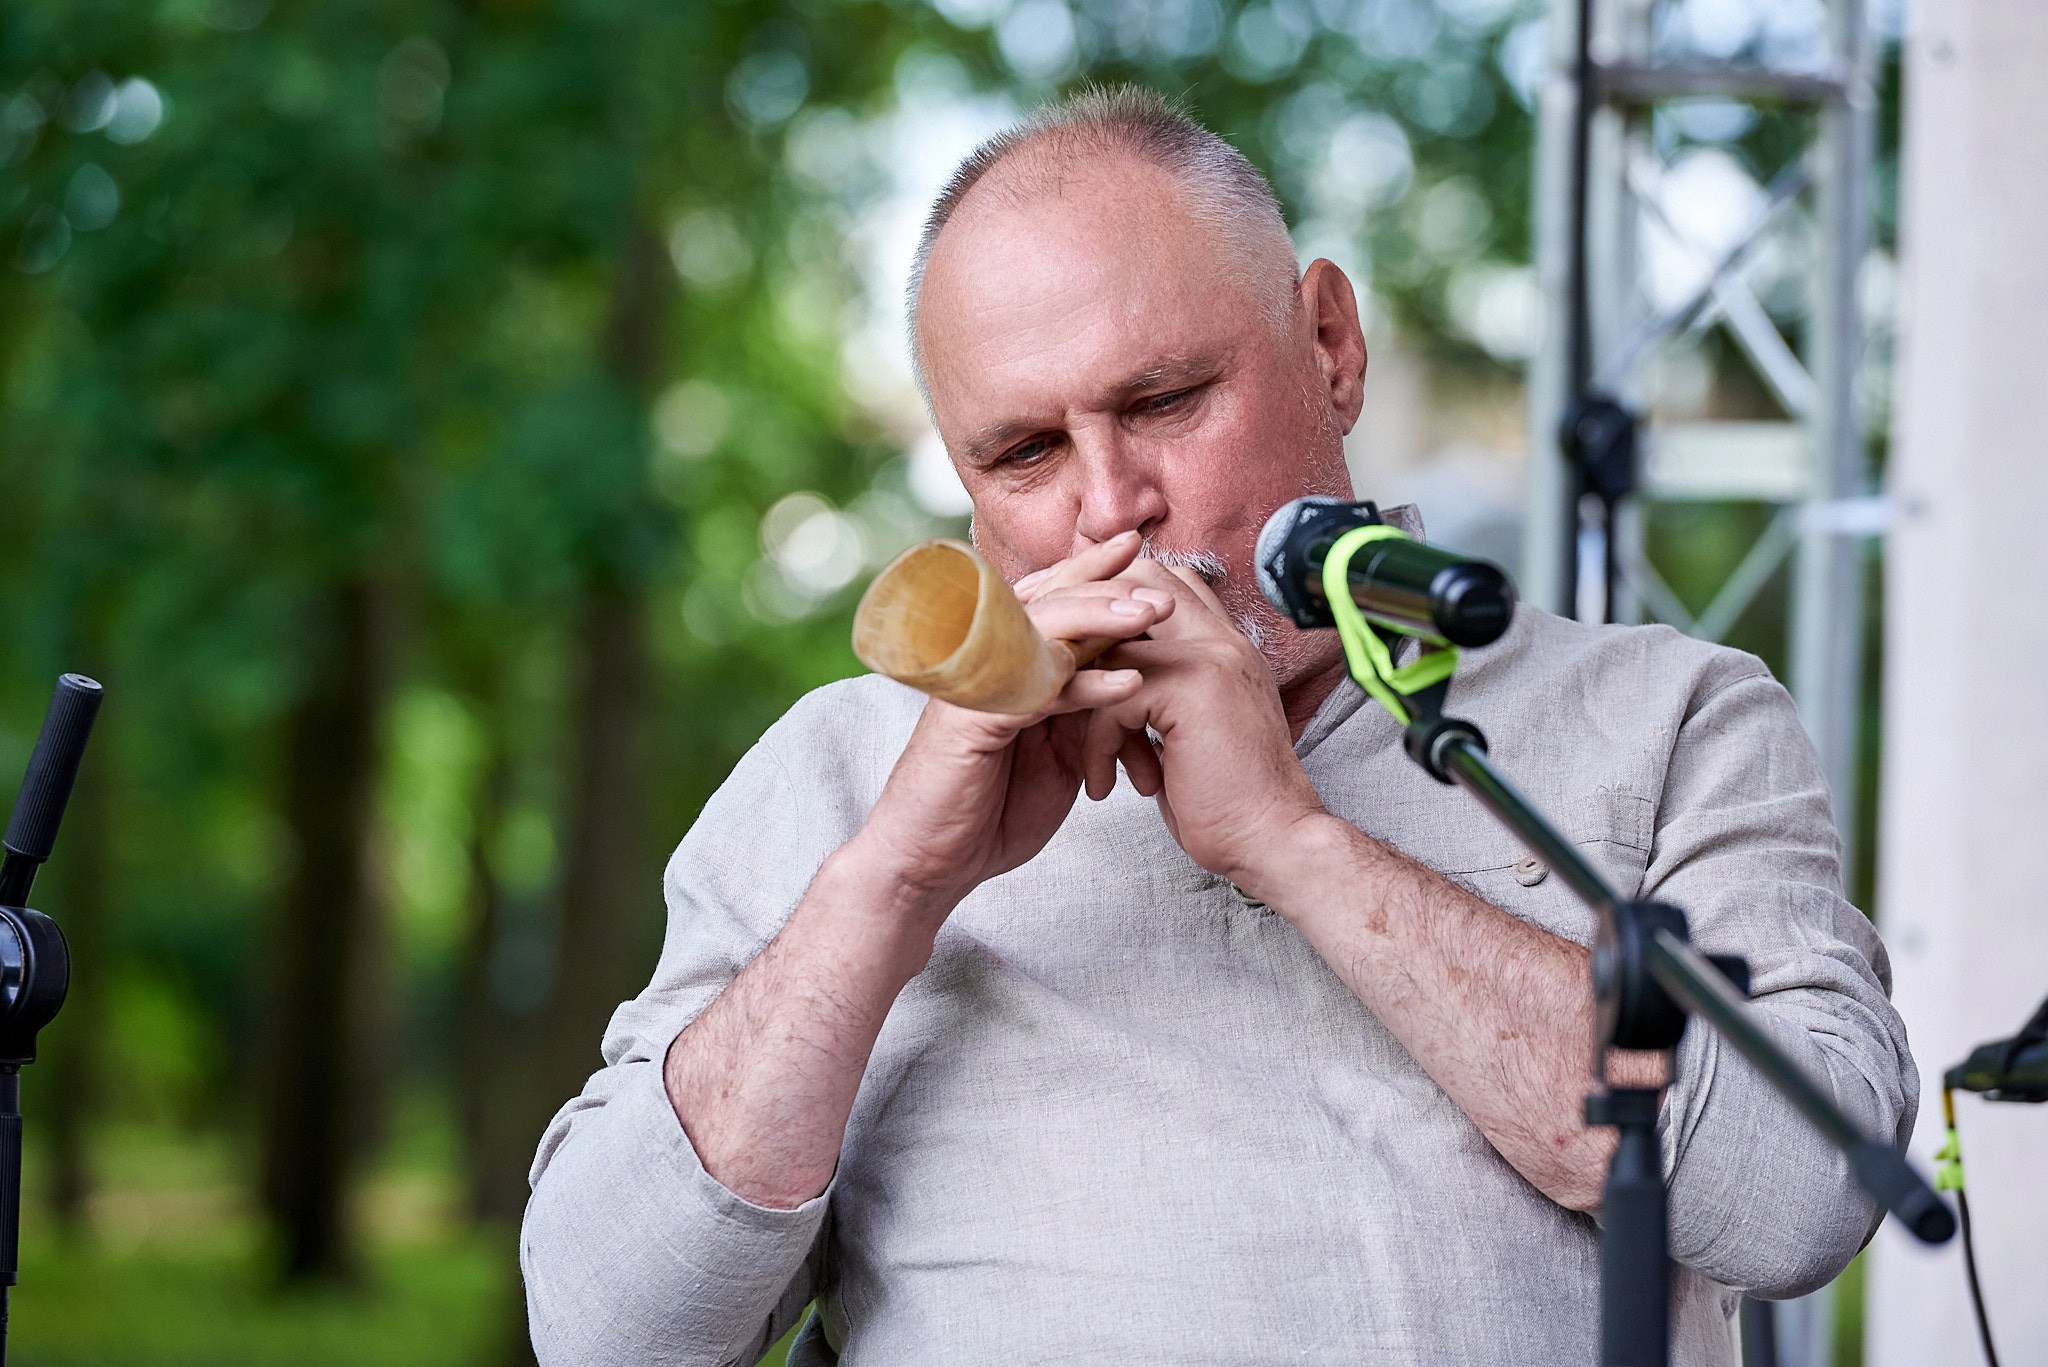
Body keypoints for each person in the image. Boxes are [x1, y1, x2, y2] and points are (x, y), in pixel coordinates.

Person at [520, 86, 1915, 1366]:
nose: (1112, 504)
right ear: (965, 483)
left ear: (1331, 345)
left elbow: (1801, 1204)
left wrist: (1293, 843)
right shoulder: (843, 778)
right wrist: (895, 883)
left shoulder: (1668, 717)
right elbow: (607, 1332)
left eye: (1168, 400)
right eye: (1025, 453)